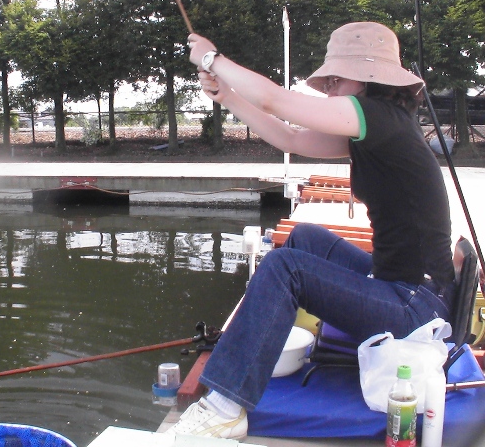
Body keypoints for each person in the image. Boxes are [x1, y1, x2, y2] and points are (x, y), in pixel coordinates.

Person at [168, 22, 455, 440]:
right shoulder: (378, 125)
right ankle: (262, 341)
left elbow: (275, 100)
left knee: (285, 268)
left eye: (337, 78)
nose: (330, 87)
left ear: (369, 78)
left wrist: (213, 59)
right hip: (400, 286)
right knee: (304, 237)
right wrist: (227, 96)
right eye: (329, 80)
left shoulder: (374, 114)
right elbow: (290, 138)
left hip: (414, 307)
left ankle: (225, 409)